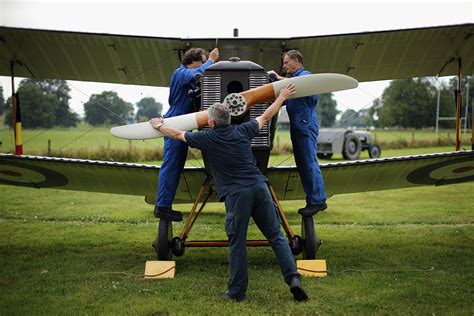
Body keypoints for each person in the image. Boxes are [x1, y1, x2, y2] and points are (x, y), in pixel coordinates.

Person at [149, 84, 309, 302]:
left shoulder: (207, 138)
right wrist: (281, 96)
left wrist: (159, 125)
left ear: (211, 123)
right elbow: (266, 115)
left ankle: (236, 292)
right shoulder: (243, 130)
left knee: (237, 243)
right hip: (260, 187)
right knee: (277, 237)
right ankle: (293, 279)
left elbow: (177, 134)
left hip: (237, 195)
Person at [154, 47, 219, 222]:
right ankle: (162, 206)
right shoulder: (180, 73)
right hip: (176, 120)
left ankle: (164, 205)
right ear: (195, 61)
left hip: (186, 122)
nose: (205, 64)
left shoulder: (190, 75)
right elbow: (195, 75)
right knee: (172, 164)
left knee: (176, 164)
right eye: (203, 61)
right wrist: (211, 61)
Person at [271, 49, 327, 216]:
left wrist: (277, 79)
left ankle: (317, 201)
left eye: (287, 63)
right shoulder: (294, 80)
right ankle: (313, 199)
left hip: (305, 125)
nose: (285, 66)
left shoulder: (305, 76)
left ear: (296, 61)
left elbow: (297, 85)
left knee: (309, 162)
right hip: (299, 126)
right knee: (303, 163)